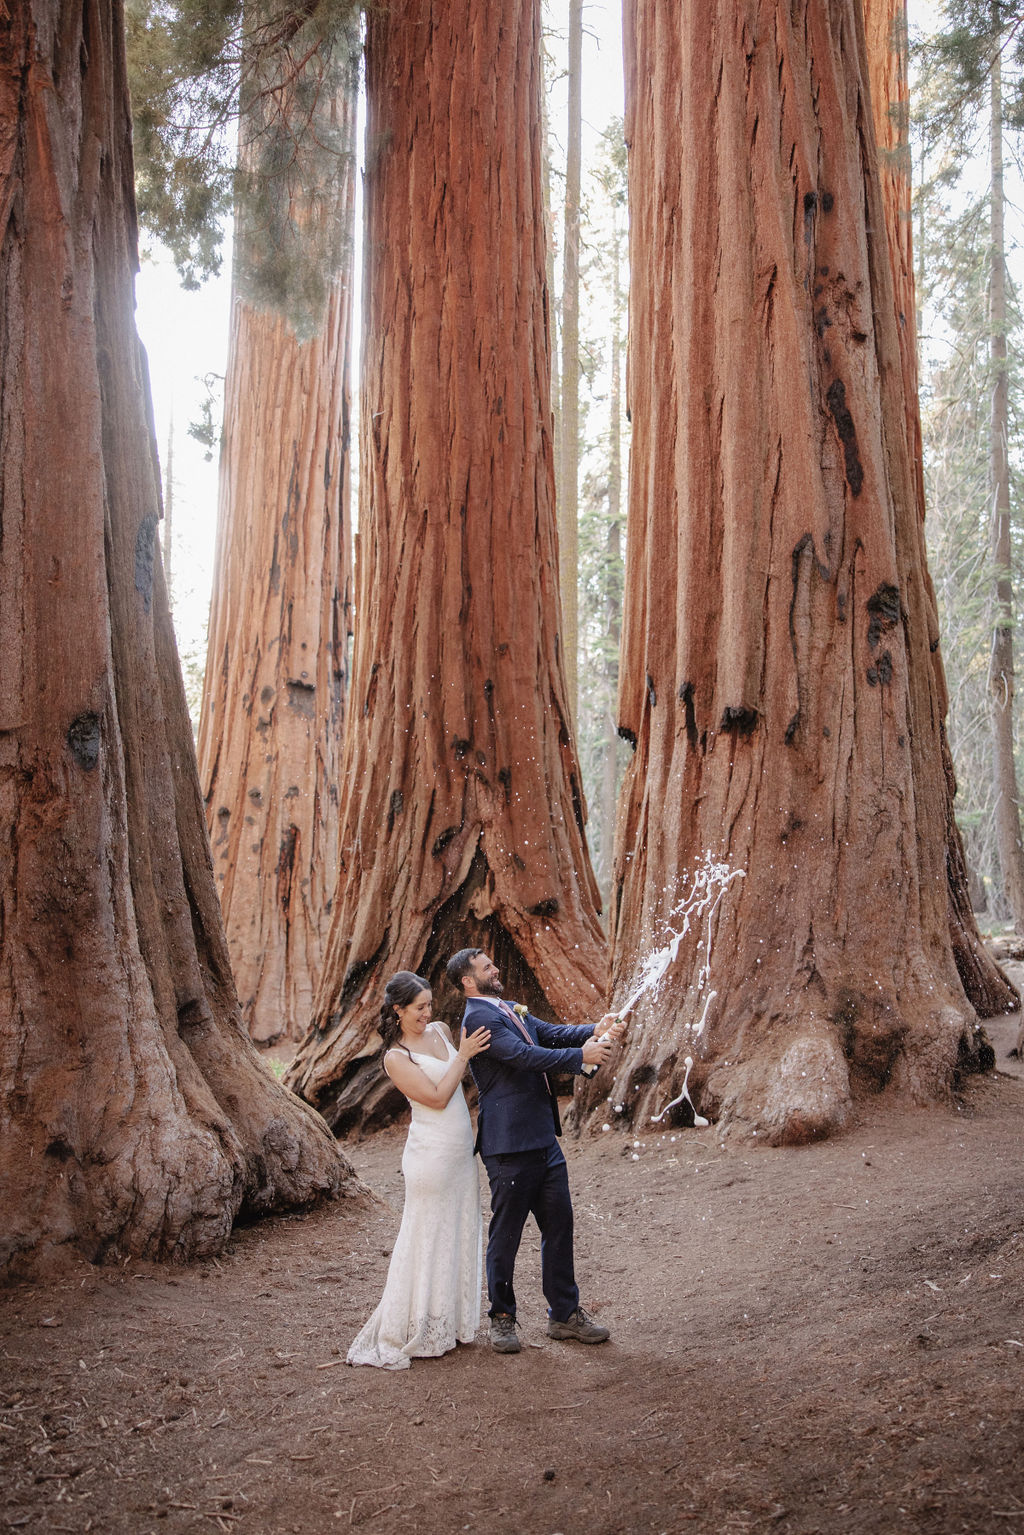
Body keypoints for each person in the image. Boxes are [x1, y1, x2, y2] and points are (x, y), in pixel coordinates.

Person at [445, 947, 622, 1355]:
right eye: (487, 967)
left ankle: (564, 1314)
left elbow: (550, 1033)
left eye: (494, 962)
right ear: (468, 982)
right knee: (505, 1235)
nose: (497, 968)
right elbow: (525, 1057)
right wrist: (581, 1058)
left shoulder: (508, 1008)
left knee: (559, 1227)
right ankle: (502, 1318)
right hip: (508, 1147)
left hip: (544, 1140)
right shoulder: (478, 1020)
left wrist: (597, 1027)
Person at [347, 971, 491, 1370]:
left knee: (458, 1231)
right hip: (430, 1160)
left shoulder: (442, 1029)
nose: (428, 1013)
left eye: (429, 1004)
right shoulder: (396, 1058)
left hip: (460, 1155)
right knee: (429, 1237)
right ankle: (416, 1327)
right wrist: (462, 1055)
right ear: (398, 1010)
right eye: (419, 1008)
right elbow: (437, 1096)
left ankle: (451, 1323)